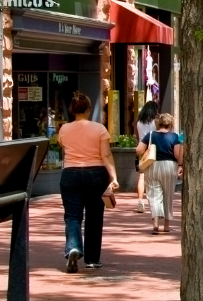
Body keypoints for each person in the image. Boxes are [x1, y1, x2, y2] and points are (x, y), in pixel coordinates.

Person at [58, 92, 119, 273]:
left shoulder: (64, 129)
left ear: (72, 110)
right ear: (89, 109)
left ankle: (73, 247)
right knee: (94, 217)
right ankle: (92, 259)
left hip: (70, 174)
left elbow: (64, 147)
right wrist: (114, 176)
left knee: (72, 216)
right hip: (96, 174)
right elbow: (106, 154)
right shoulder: (99, 129)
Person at [135, 113, 183, 234]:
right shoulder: (174, 136)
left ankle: (155, 224)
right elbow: (177, 155)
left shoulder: (150, 135)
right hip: (169, 166)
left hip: (153, 166)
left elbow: (138, 150)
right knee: (168, 195)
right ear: (171, 124)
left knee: (154, 195)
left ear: (159, 123)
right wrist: (181, 165)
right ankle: (166, 225)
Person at [134, 101, 159, 214]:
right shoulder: (155, 122)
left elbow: (137, 136)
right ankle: (153, 201)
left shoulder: (138, 122)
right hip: (153, 150)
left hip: (142, 150)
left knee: (141, 177)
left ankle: (140, 201)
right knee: (154, 176)